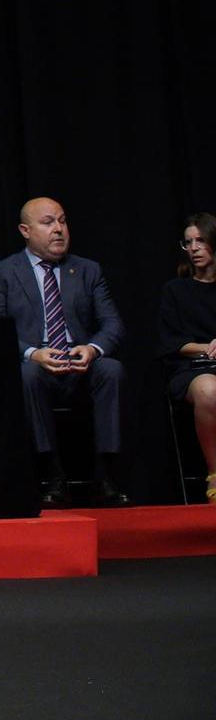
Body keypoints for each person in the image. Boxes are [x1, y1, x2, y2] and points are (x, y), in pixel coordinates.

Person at [0, 197, 128, 508]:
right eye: (48, 223)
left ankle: (105, 475)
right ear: (25, 230)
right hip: (37, 368)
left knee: (111, 369)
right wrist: (33, 353)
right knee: (28, 374)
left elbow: (112, 323)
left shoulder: (88, 270)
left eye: (62, 221)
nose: (58, 229)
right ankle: (52, 474)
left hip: (80, 365)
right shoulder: (1, 273)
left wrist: (91, 347)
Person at [157, 212, 216, 503]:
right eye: (188, 242)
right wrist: (207, 347)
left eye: (200, 240)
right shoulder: (176, 290)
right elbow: (170, 343)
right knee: (209, 390)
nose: (193, 248)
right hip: (192, 369)